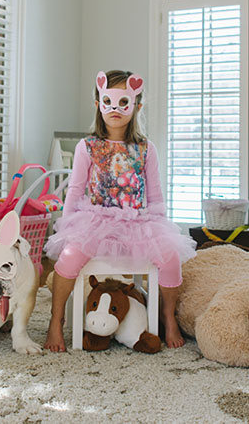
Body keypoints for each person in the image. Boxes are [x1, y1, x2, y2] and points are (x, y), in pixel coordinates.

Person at [43, 69, 197, 352]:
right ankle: (56, 320)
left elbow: (154, 194)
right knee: (67, 260)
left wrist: (160, 229)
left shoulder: (145, 148)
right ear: (98, 103)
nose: (115, 109)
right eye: (108, 101)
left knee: (171, 258)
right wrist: (67, 227)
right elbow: (75, 190)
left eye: (123, 102)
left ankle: (168, 317)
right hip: (95, 221)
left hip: (138, 222)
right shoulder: (87, 146)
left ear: (136, 105)